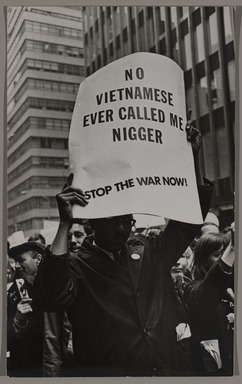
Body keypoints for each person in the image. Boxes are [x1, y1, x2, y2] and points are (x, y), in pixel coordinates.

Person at [33, 122, 214, 376]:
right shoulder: (76, 265)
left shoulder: (149, 250)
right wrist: (65, 222)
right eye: (113, 222)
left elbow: (191, 219)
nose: (122, 229)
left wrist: (191, 157)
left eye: (126, 221)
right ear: (92, 222)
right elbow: (49, 297)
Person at [184, 232, 234, 376]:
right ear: (203, 259)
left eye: (228, 255)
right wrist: (232, 250)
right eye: (219, 255)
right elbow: (209, 292)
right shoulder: (192, 287)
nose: (228, 260)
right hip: (217, 370)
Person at [7, 241, 46, 377]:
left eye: (21, 260)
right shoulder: (13, 293)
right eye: (15, 261)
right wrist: (17, 321)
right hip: (26, 368)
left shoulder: (55, 288)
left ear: (39, 259)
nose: (16, 266)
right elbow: (5, 341)